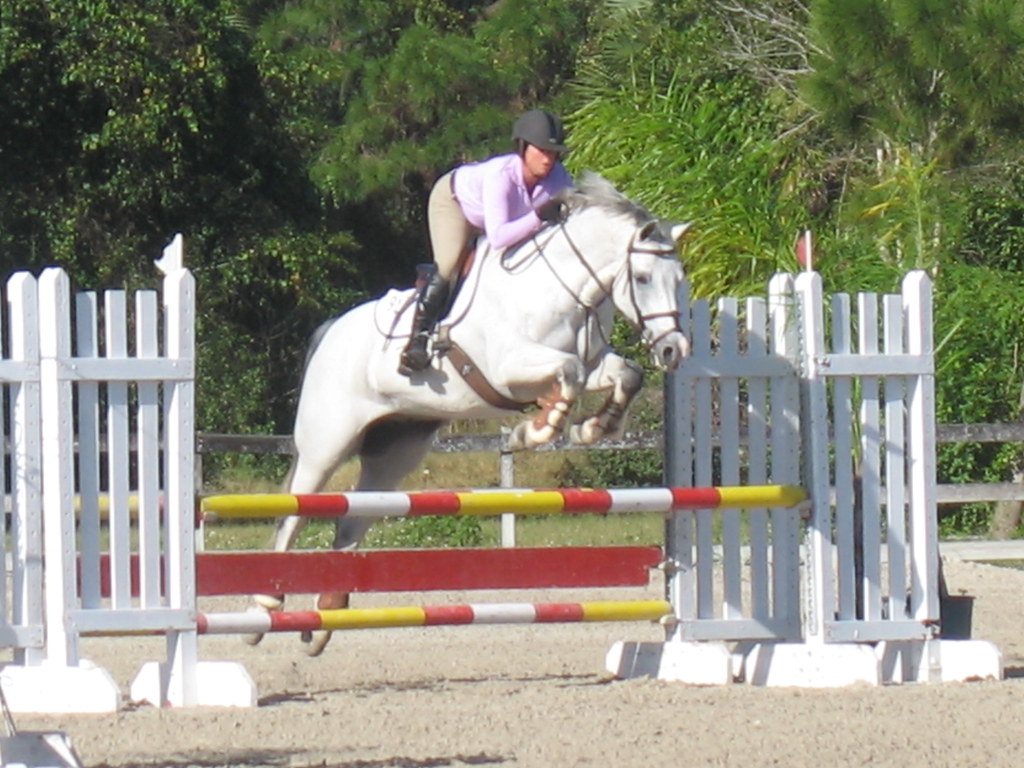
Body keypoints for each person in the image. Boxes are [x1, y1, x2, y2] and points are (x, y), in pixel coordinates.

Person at [398, 109, 574, 375]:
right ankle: (417, 341)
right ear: (522, 147)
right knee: (448, 265)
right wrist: (538, 216)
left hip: (499, 219)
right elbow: (499, 237)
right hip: (455, 204)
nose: (548, 160)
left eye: (553, 153)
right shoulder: (501, 175)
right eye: (541, 151)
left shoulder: (559, 179)